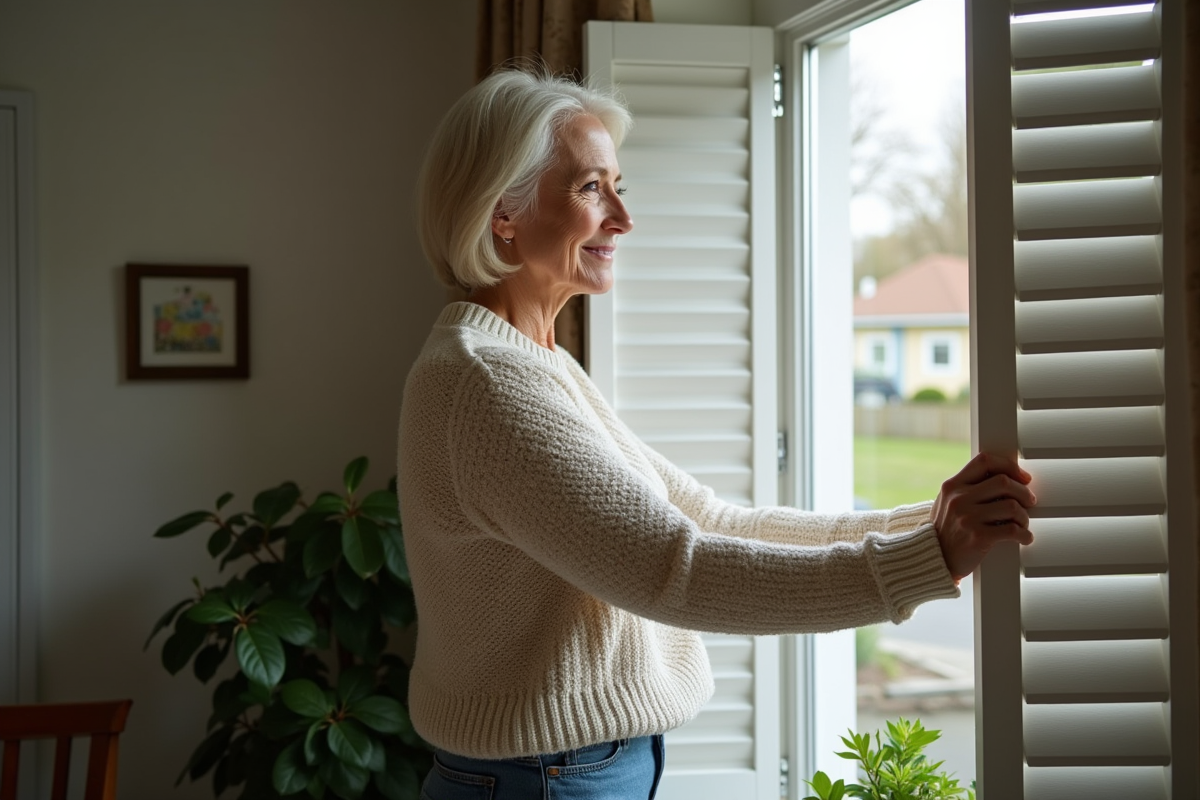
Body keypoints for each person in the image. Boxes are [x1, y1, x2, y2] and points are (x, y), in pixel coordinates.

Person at [398, 68, 1035, 800]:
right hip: (550, 780)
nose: (622, 219)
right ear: (501, 213)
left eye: (618, 186)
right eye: (589, 189)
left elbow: (712, 518)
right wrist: (930, 556)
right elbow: (679, 569)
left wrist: (929, 523)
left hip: (566, 771)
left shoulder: (534, 363)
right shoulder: (487, 384)